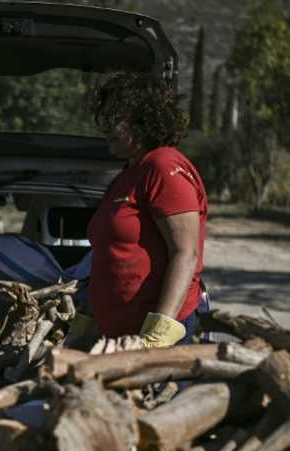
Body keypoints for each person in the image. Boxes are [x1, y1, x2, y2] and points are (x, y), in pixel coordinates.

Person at [83, 71, 207, 353]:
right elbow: (108, 257)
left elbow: (185, 254)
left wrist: (158, 335)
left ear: (143, 118)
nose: (106, 126)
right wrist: (86, 321)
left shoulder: (163, 167)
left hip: (156, 341)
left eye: (116, 117)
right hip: (121, 339)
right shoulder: (128, 174)